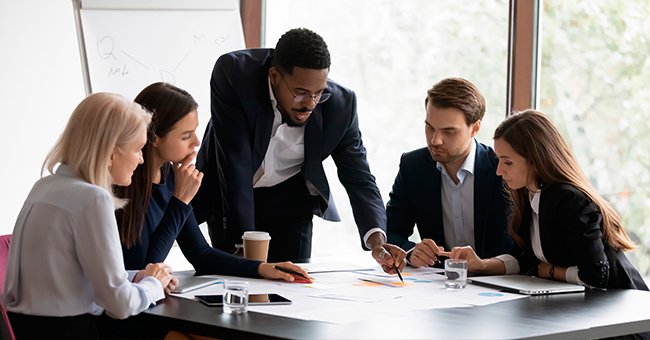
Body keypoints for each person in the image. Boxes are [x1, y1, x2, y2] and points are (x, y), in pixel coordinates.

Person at [193, 27, 405, 271]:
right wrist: (246, 248)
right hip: (231, 194)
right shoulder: (234, 74)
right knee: (235, 282)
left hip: (290, 201)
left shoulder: (341, 106)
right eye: (301, 93)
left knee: (294, 284)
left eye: (319, 93)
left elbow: (359, 176)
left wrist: (377, 241)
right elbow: (235, 162)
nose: (310, 104)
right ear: (274, 77)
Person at [3, 93, 174, 339]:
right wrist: (154, 284)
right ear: (111, 152)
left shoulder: (44, 187)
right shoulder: (93, 199)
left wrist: (136, 276)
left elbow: (72, 277)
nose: (141, 159)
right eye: (137, 149)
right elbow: (120, 304)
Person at [115, 82, 310, 282]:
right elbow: (144, 271)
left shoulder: (171, 176)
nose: (197, 142)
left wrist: (262, 268)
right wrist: (180, 201)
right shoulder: (123, 184)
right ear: (154, 137)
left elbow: (201, 255)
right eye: (186, 136)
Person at [447, 109, 648, 290]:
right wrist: (481, 265)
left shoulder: (569, 200)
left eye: (507, 162)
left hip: (625, 313)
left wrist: (547, 271)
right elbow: (524, 260)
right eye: (499, 160)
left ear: (535, 160)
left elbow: (596, 275)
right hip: (585, 308)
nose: (499, 171)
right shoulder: (529, 195)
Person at [386, 77, 512, 268]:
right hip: (437, 285)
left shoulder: (502, 169)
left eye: (449, 131)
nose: (435, 140)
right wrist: (411, 252)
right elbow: (390, 231)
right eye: (430, 128)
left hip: (495, 283)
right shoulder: (413, 166)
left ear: (475, 128)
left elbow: (520, 248)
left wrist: (484, 266)